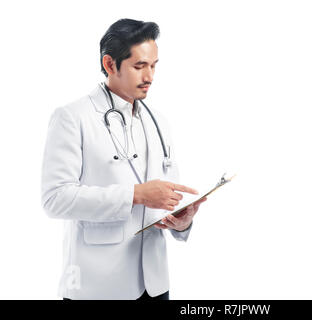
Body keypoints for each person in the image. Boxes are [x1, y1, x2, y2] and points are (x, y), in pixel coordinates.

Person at [41, 18, 206, 300]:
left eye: (154, 65)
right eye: (139, 66)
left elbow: (163, 197)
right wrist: (135, 195)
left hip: (154, 285)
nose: (150, 76)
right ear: (109, 64)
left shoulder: (159, 123)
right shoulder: (72, 118)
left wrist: (181, 222)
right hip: (98, 286)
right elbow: (54, 199)